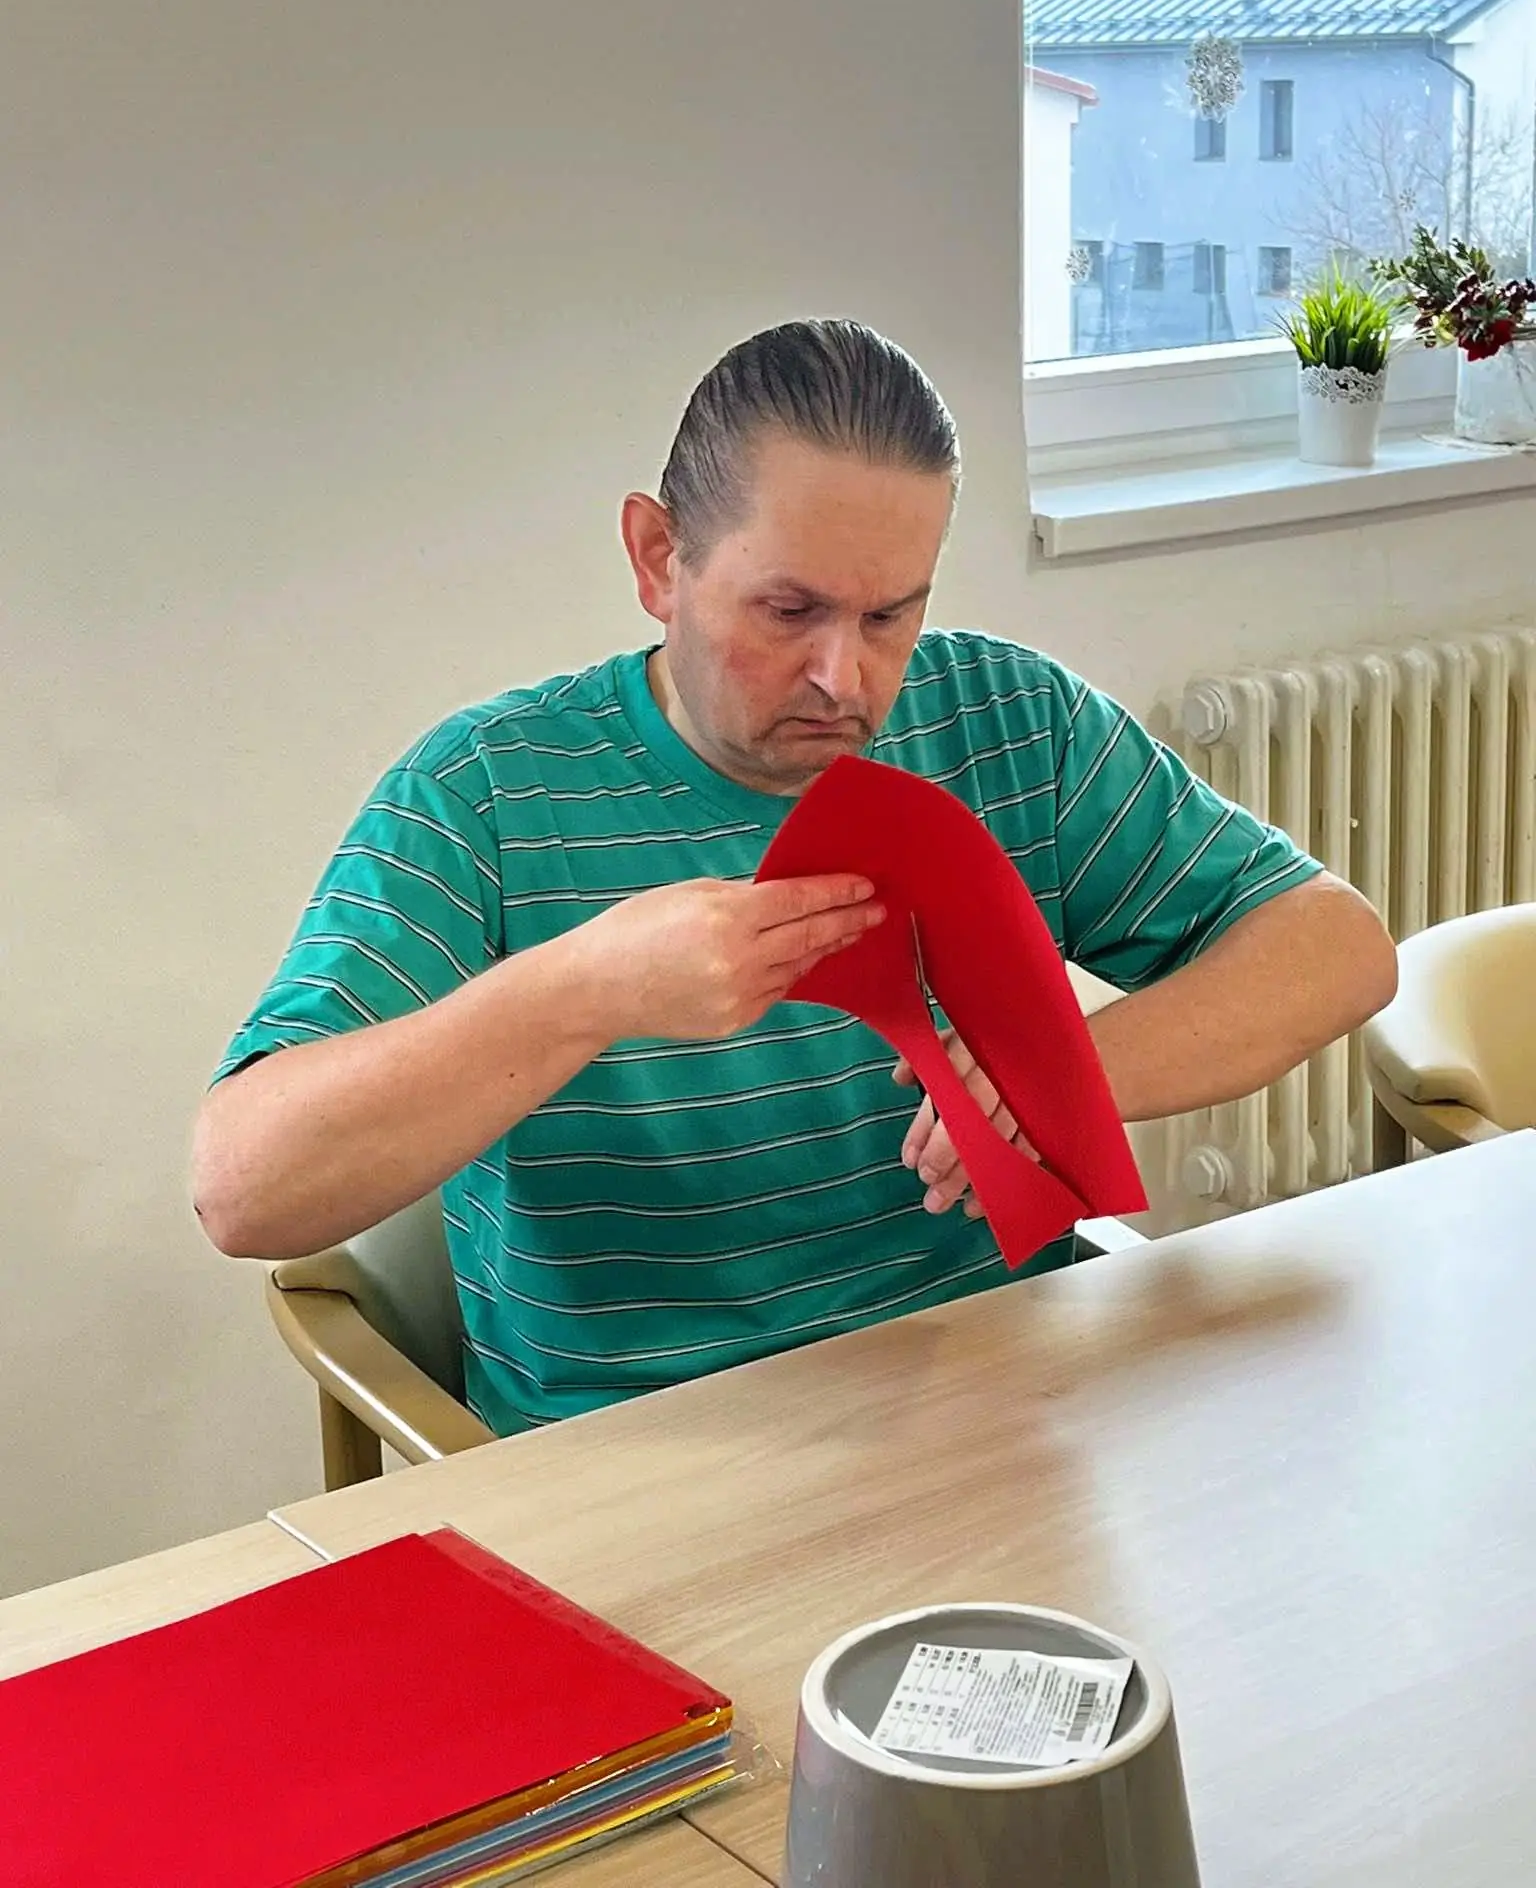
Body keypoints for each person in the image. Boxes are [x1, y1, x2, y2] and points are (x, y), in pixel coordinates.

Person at [194, 320, 1397, 1433]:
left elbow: (1337, 945)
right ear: (658, 558)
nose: (844, 678)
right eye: (788, 610)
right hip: (632, 1454)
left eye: (890, 615)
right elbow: (243, 1189)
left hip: (994, 1402)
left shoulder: (1008, 719)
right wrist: (588, 988)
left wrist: (1068, 1076)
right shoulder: (487, 791)